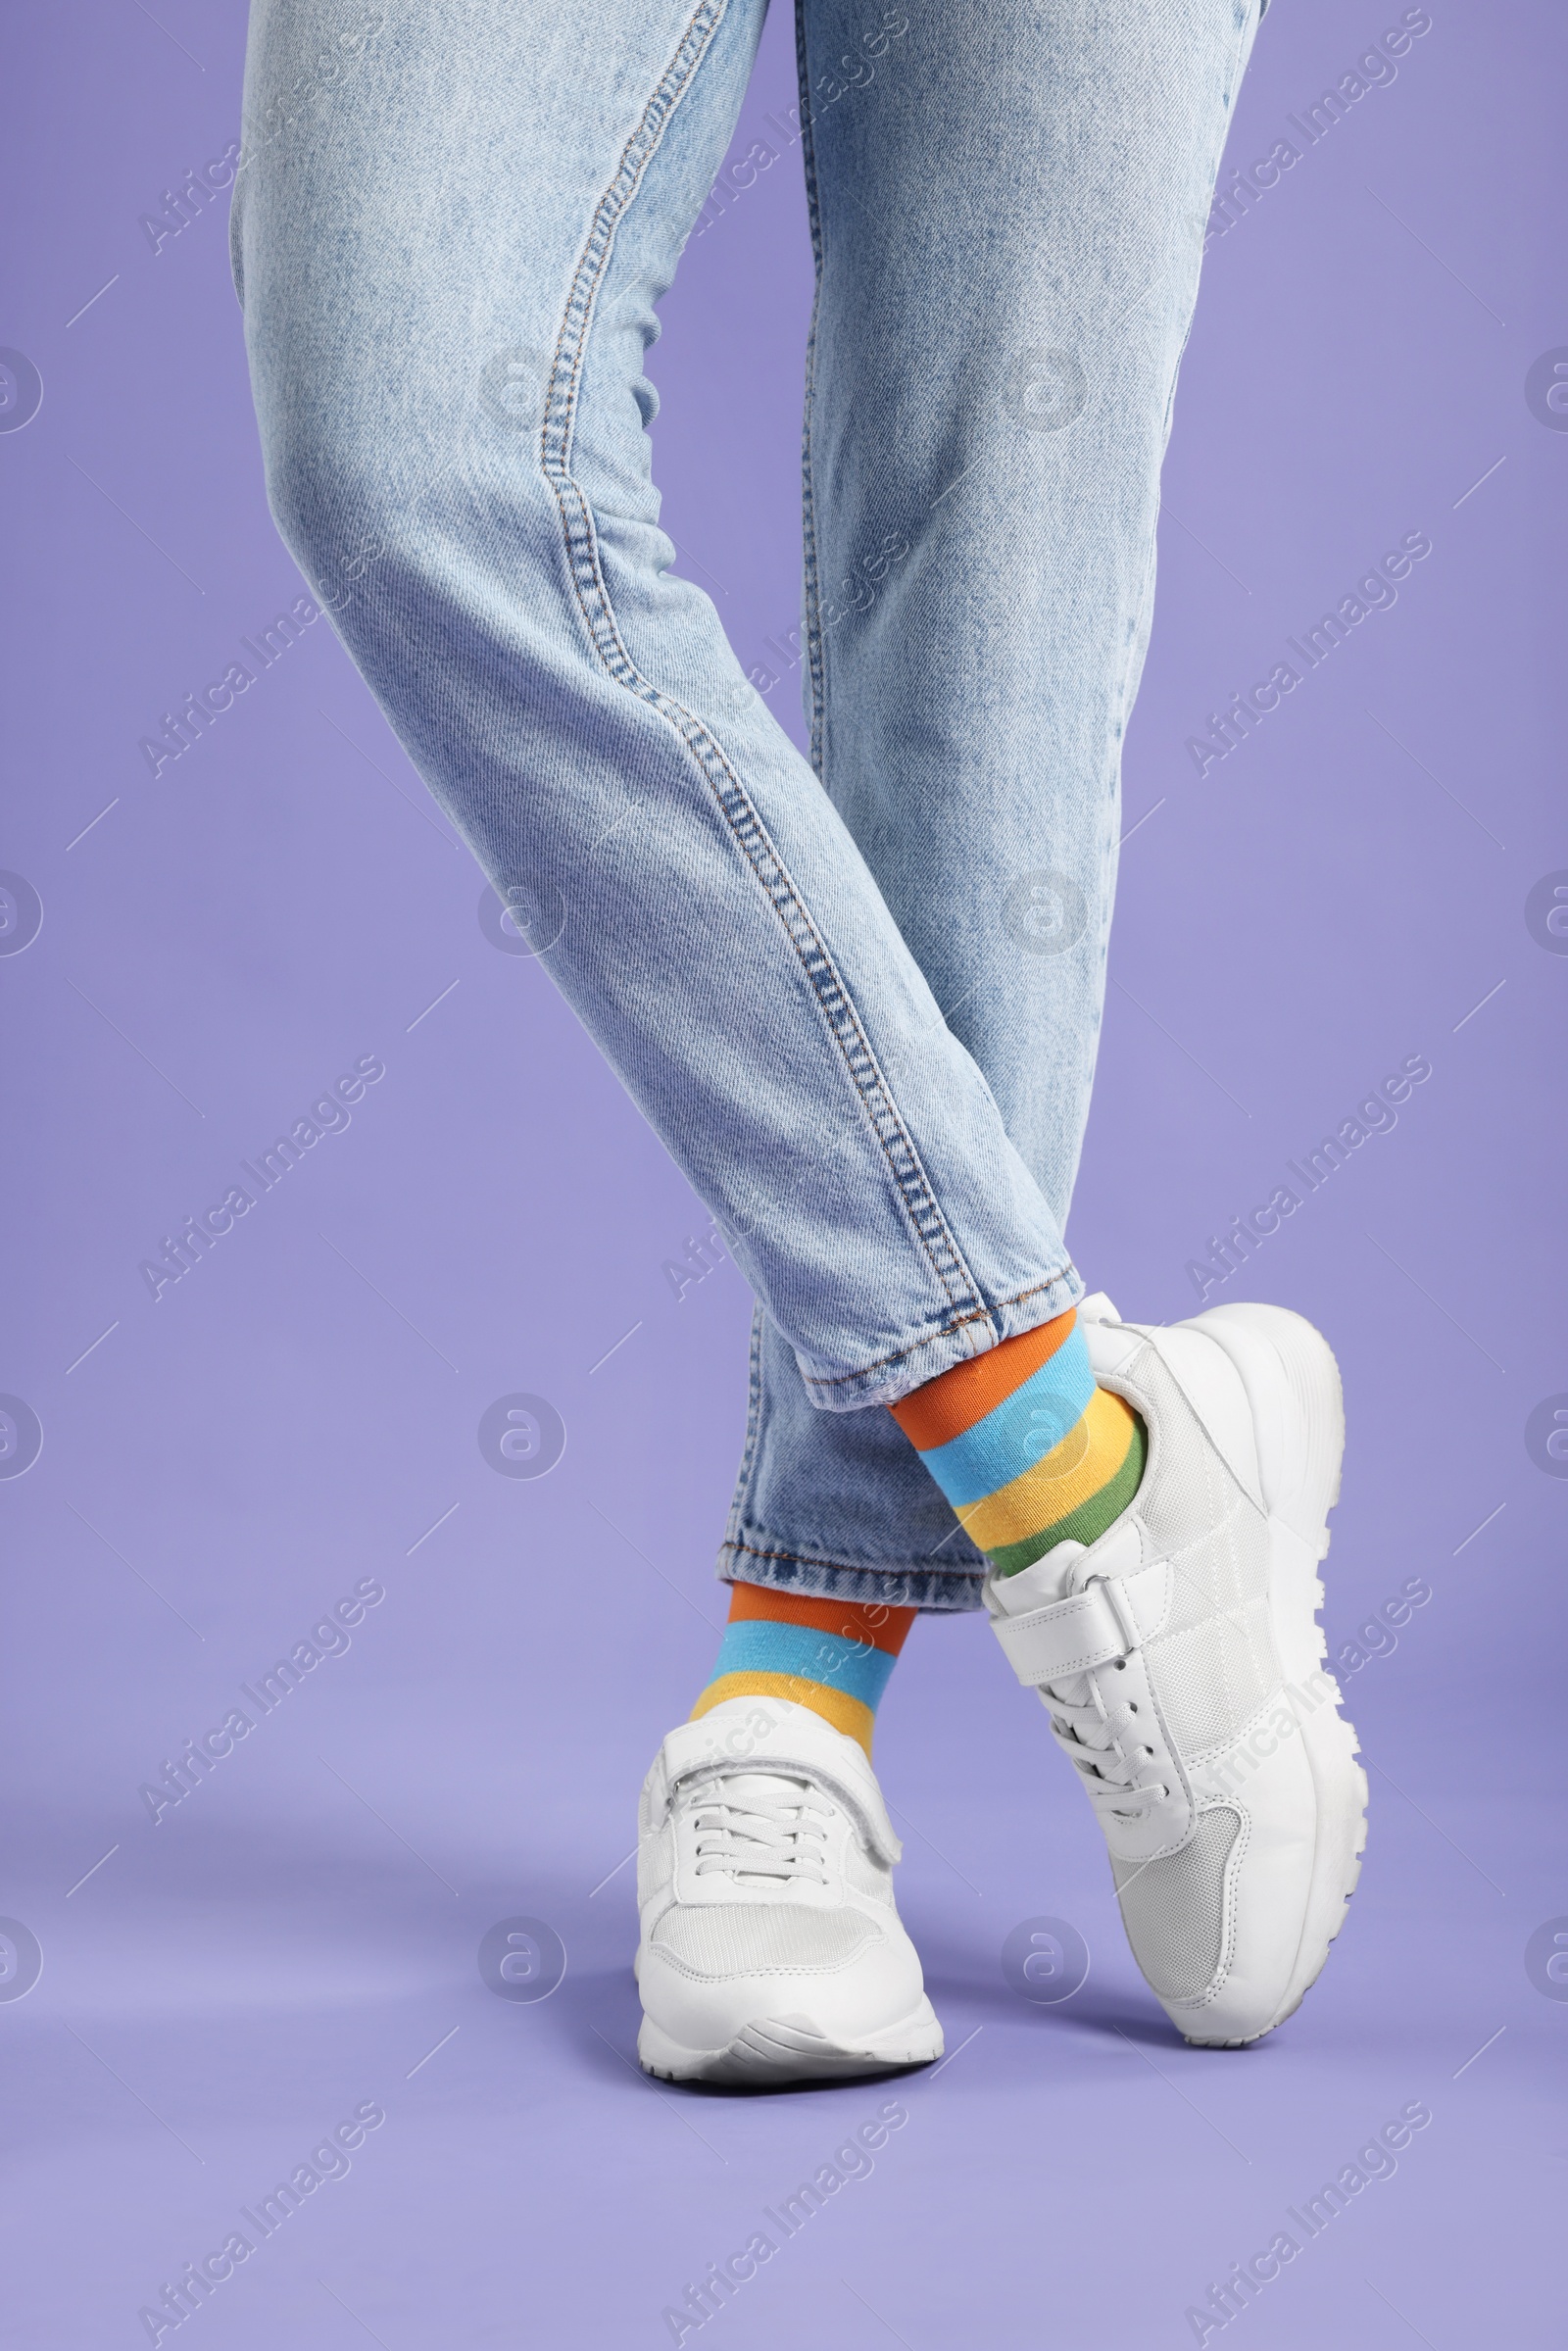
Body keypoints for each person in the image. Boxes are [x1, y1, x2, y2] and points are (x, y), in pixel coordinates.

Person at [233, 0, 1366, 2084]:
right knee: (403, 433)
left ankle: (796, 1708)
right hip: (1052, 1451)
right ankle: (1079, 1475)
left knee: (988, 584)